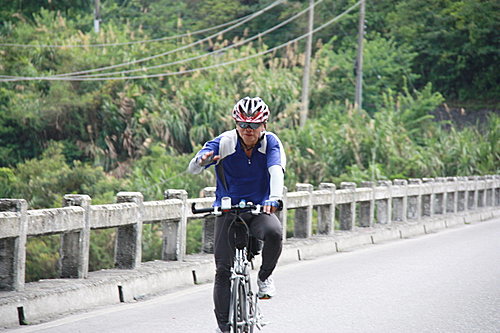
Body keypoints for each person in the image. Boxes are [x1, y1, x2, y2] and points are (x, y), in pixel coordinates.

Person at [187, 96, 286, 333]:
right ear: (235, 124)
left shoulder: (271, 143)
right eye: (242, 125)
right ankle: (224, 327)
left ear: (264, 125)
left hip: (259, 209)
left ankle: (263, 277)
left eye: (253, 125)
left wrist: (274, 198)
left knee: (274, 233)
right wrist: (202, 161)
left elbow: (276, 171)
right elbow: (194, 166)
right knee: (223, 270)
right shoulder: (225, 142)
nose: (247, 130)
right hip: (228, 210)